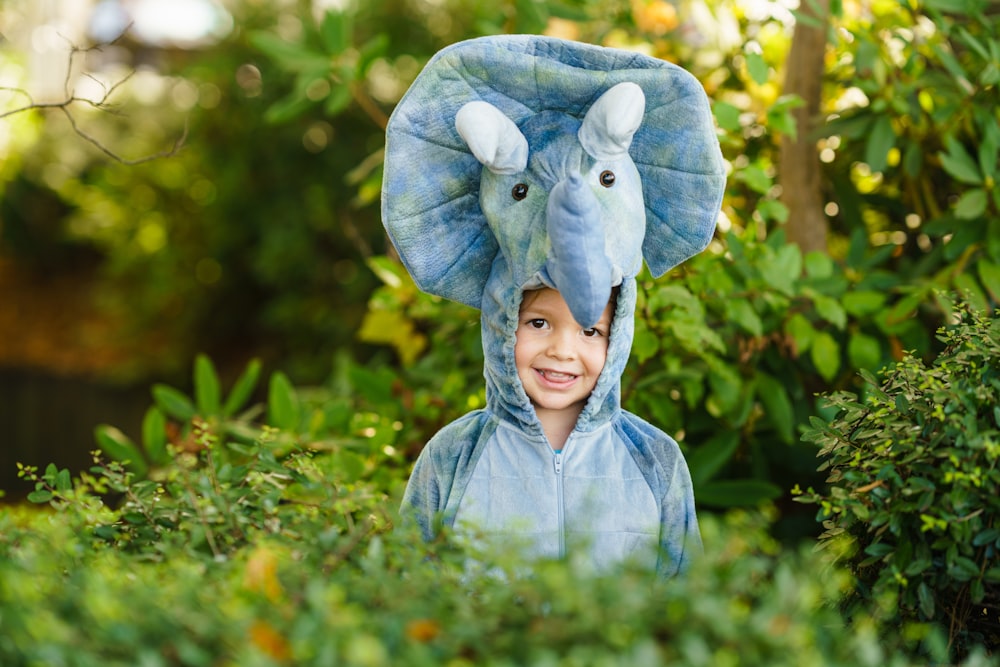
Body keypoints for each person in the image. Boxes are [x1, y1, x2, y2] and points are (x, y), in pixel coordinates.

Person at [381, 35, 726, 576]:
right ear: (501, 320)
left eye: (591, 330)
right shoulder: (452, 457)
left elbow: (685, 602)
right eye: (538, 322)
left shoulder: (655, 459)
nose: (564, 350)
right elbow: (403, 590)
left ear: (619, 336)